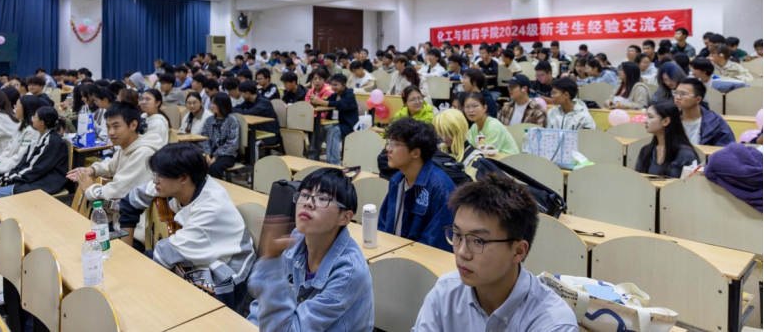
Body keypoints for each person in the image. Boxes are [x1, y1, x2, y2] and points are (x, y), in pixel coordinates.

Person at [413, 175, 580, 332]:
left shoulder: (553, 324)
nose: (462, 252)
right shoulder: (446, 292)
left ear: (518, 251)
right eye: (457, 234)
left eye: (478, 241)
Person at [119, 143, 255, 310]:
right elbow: (129, 202)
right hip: (193, 257)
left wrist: (126, 263)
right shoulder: (174, 185)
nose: (155, 180)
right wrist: (126, 247)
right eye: (155, 174)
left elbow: (164, 255)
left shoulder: (211, 208)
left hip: (226, 273)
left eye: (160, 175)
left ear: (183, 178)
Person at [248, 168, 374, 331]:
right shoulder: (297, 238)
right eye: (305, 195)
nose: (307, 203)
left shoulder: (349, 272)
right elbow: (262, 304)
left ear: (345, 217)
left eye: (322, 198)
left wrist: (271, 262)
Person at [67, 102, 161, 244]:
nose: (110, 132)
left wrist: (90, 189)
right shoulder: (128, 147)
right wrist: (92, 169)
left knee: (79, 240)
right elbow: (111, 164)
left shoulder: (143, 153)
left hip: (134, 231)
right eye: (108, 127)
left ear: (133, 125)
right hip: (118, 221)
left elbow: (115, 192)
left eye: (116, 126)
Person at [379, 119, 456, 251]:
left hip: (421, 260)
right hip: (393, 254)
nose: (388, 149)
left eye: (394, 144)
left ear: (415, 153)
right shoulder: (396, 181)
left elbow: (435, 244)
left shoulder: (441, 188)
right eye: (388, 143)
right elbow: (382, 226)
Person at [0, 106, 69, 199]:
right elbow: (24, 162)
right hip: (33, 177)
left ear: (41, 123)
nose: (32, 119)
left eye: (35, 117)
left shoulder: (52, 142)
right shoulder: (39, 136)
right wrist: (8, 177)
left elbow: (36, 169)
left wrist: (9, 179)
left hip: (46, 182)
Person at [635, 101, 700, 179]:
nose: (645, 121)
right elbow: (637, 179)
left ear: (666, 121)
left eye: (650, 117)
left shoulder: (685, 155)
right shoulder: (645, 151)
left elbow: (692, 184)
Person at [0, 95, 46, 177]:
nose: (14, 109)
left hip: (18, 172)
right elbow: (8, 150)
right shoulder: (21, 126)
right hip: (8, 167)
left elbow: (19, 158)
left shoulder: (32, 131)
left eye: (16, 106)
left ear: (25, 109)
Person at [310, 74, 359, 165]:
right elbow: (325, 102)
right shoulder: (335, 95)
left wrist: (321, 101)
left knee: (333, 132)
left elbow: (340, 105)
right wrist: (315, 101)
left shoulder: (349, 95)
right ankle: (312, 158)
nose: (333, 87)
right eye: (332, 85)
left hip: (348, 125)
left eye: (336, 85)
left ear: (344, 84)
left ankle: (334, 164)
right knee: (319, 129)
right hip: (335, 123)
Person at [674, 79, 736, 147]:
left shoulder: (716, 122)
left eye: (683, 94)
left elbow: (727, 148)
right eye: (676, 93)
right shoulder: (671, 119)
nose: (677, 97)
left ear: (698, 99)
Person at [201, 93, 241, 179]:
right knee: (195, 162)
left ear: (222, 105)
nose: (211, 105)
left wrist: (215, 156)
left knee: (214, 167)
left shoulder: (232, 120)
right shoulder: (209, 120)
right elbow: (204, 138)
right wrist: (207, 154)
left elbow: (232, 144)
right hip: (210, 152)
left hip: (227, 154)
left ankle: (215, 187)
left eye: (214, 103)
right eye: (211, 103)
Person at [234, 81, 281, 150]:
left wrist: (230, 109)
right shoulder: (249, 101)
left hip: (269, 135)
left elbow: (250, 112)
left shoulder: (264, 102)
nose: (240, 95)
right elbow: (238, 108)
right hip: (258, 131)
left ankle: (252, 157)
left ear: (247, 93)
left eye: (241, 93)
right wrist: (228, 109)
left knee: (246, 139)